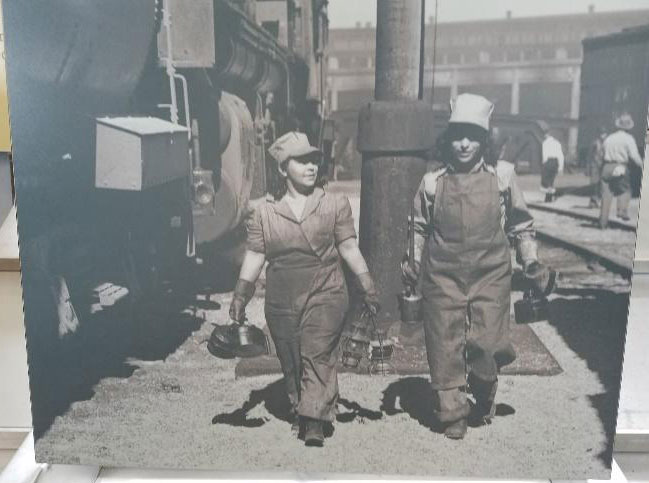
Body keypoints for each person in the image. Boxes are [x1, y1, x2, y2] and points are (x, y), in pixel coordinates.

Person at [401, 93, 552, 440]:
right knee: (443, 342)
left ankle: (484, 389)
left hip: (491, 274)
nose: (464, 144)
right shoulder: (431, 182)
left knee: (487, 344)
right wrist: (410, 263)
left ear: (485, 140)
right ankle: (451, 409)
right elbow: (418, 228)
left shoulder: (503, 177)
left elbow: (521, 224)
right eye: (457, 136)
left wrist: (529, 260)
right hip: (442, 274)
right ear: (448, 139)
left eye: (472, 136)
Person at [229, 131, 380, 447]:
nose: (311, 166)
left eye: (314, 160)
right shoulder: (264, 213)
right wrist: (241, 294)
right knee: (292, 357)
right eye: (301, 161)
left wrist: (366, 283)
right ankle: (305, 404)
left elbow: (348, 247)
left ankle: (313, 420)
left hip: (326, 290)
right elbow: (256, 255)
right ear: (283, 169)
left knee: (316, 350)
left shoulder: (334, 204)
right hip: (282, 298)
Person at [598, 113, 643, 228]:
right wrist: (642, 165)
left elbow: (601, 155)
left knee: (606, 196)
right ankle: (621, 210)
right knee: (625, 190)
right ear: (629, 127)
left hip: (606, 167)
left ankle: (602, 224)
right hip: (621, 166)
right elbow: (634, 156)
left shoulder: (609, 138)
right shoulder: (629, 139)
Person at [539, 121, 564, 202]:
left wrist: (543, 164)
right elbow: (561, 156)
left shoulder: (545, 143)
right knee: (551, 180)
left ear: (546, 135)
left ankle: (548, 197)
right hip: (555, 162)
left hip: (548, 162)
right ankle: (549, 197)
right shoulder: (557, 143)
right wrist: (560, 167)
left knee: (546, 180)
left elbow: (544, 154)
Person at [588, 127, 607, 209]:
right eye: (601, 133)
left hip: (603, 166)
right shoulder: (595, 143)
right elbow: (590, 155)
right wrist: (588, 167)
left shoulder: (607, 143)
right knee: (594, 184)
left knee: (601, 185)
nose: (602, 135)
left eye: (604, 134)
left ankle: (598, 201)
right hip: (595, 166)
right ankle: (593, 201)